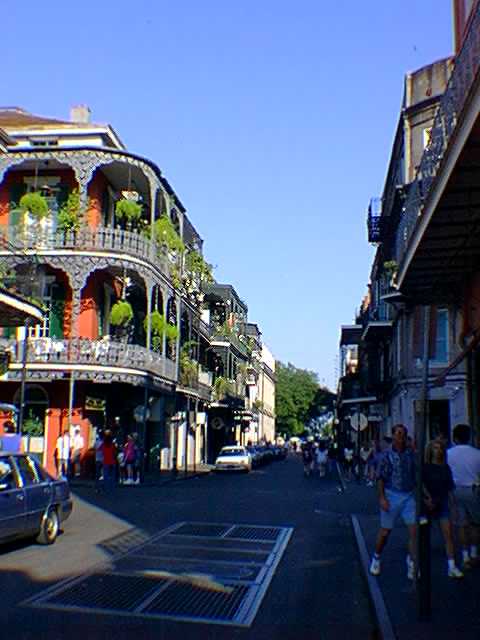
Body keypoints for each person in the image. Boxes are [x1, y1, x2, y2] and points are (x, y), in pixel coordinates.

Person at [369, 424, 417, 579]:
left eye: (403, 434)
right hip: (391, 494)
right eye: (398, 434)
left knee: (414, 532)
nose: (401, 437)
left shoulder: (411, 454)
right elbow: (380, 478)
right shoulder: (386, 455)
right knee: (385, 532)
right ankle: (376, 557)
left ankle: (412, 562)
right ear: (393, 436)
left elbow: (416, 475)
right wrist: (382, 497)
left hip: (409, 495)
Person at [423, 440, 463, 578]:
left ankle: (451, 566)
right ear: (430, 450)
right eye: (435, 448)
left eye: (440, 448)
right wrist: (427, 498)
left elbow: (450, 488)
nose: (438, 450)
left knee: (448, 535)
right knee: (422, 536)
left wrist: (454, 507)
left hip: (442, 503)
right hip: (427, 504)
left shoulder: (445, 467)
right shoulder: (426, 467)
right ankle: (416, 563)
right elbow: (420, 484)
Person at [447, 423, 480, 570]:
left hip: (455, 490)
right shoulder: (477, 453)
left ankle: (465, 556)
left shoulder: (448, 453)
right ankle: (474, 553)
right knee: (475, 523)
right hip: (473, 489)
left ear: (455, 438)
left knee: (461, 524)